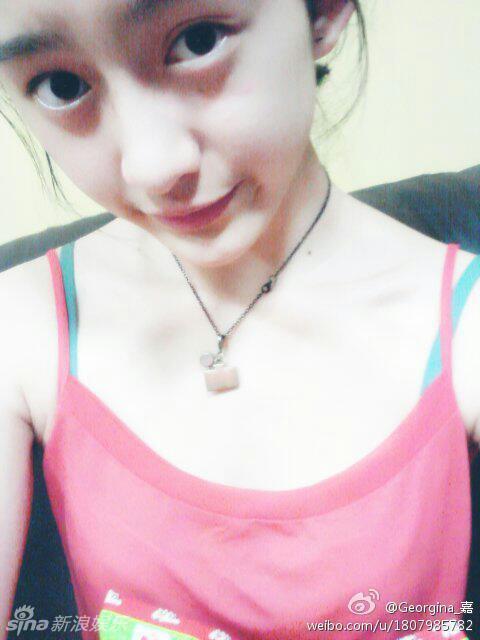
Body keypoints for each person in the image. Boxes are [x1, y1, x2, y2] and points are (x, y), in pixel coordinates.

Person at [0, 1, 478, 639]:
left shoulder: (464, 323)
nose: (153, 166)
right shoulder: (21, 320)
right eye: (61, 86)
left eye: (199, 40)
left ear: (322, 12)